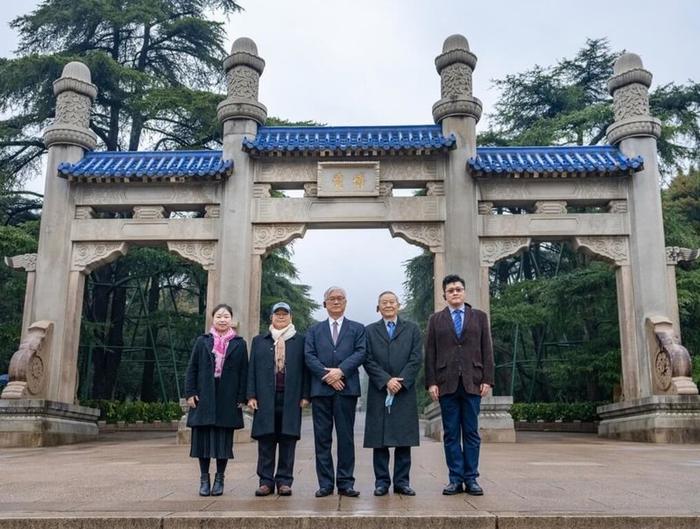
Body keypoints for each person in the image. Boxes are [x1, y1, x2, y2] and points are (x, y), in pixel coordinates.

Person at [424, 274, 494, 496]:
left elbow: (487, 349)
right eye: (451, 290)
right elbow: (430, 353)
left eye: (459, 289)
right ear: (444, 294)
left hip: (473, 382)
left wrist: (487, 379)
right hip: (447, 384)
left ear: (464, 292)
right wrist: (431, 382)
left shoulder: (479, 317)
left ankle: (471, 479)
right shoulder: (435, 320)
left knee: (471, 433)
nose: (455, 292)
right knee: (451, 434)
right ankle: (455, 479)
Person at [304, 286, 366, 498]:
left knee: (346, 438)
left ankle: (346, 482)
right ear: (325, 303)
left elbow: (361, 352)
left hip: (346, 390)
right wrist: (327, 376)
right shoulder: (314, 330)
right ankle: (325, 484)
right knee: (322, 439)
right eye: (332, 299)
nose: (336, 302)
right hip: (321, 390)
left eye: (340, 298)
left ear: (346, 302)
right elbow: (309, 355)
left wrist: (341, 372)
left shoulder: (357, 329)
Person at [184, 303, 248, 497]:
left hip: (227, 396)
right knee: (202, 439)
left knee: (223, 441)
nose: (222, 319)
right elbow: (192, 368)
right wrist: (190, 392)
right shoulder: (202, 341)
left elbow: (244, 371)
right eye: (219, 316)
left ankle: (220, 478)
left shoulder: (239, 343)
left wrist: (241, 396)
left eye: (226, 316)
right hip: (204, 394)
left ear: (231, 319)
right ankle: (204, 479)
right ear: (213, 319)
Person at [247, 301, 310, 497]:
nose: (281, 317)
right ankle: (266, 481)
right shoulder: (260, 341)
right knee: (266, 439)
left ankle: (284, 480)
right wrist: (251, 395)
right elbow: (252, 370)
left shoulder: (300, 340)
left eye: (285, 314)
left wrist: (306, 395)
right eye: (277, 314)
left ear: (291, 317)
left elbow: (306, 370)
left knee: (287, 439)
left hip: (291, 397)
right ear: (271, 317)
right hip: (265, 398)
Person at [363, 291, 422, 497]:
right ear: (378, 307)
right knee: (379, 440)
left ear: (399, 305)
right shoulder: (369, 331)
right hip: (380, 390)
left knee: (403, 439)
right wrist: (386, 380)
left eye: (392, 302)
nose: (388, 305)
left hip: (404, 390)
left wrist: (400, 381)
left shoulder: (412, 329)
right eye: (384, 303)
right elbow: (367, 359)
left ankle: (402, 482)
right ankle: (381, 482)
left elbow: (416, 358)